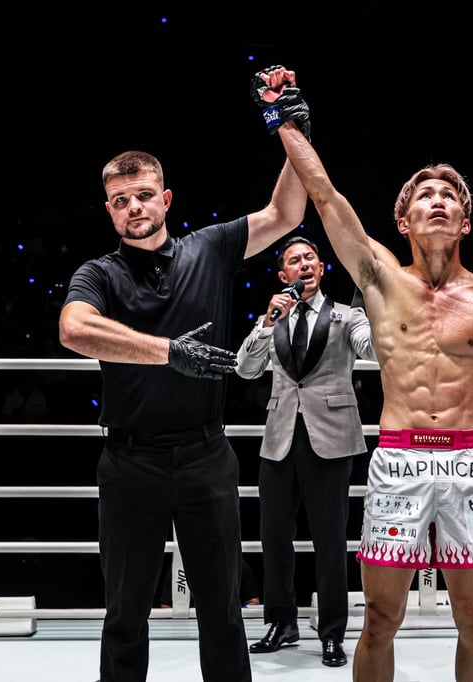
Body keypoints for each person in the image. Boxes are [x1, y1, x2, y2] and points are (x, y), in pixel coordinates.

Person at [272, 77, 473, 681]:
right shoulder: (378, 278)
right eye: (425, 195)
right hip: (397, 461)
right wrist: (286, 120)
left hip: (470, 465)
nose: (438, 200)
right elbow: (323, 194)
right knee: (380, 619)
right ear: (403, 219)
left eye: (450, 195)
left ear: (466, 221)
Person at [57, 65, 311, 682]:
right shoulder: (99, 273)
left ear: (165, 199)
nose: (132, 207)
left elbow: (286, 210)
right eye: (120, 200)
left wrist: (293, 129)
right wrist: (170, 351)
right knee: (123, 614)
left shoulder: (210, 246)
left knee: (222, 611)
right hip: (129, 461)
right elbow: (73, 330)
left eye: (142, 195)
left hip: (204, 457)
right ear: (110, 210)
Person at [235, 235, 375, 667]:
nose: (304, 264)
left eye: (310, 258)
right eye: (294, 260)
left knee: (330, 538)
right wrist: (266, 321)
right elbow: (244, 369)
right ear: (283, 275)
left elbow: (372, 349)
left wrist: (382, 313)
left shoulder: (345, 315)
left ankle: (332, 631)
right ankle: (281, 621)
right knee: (274, 536)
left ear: (321, 267)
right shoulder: (275, 318)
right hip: (279, 437)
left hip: (330, 436)